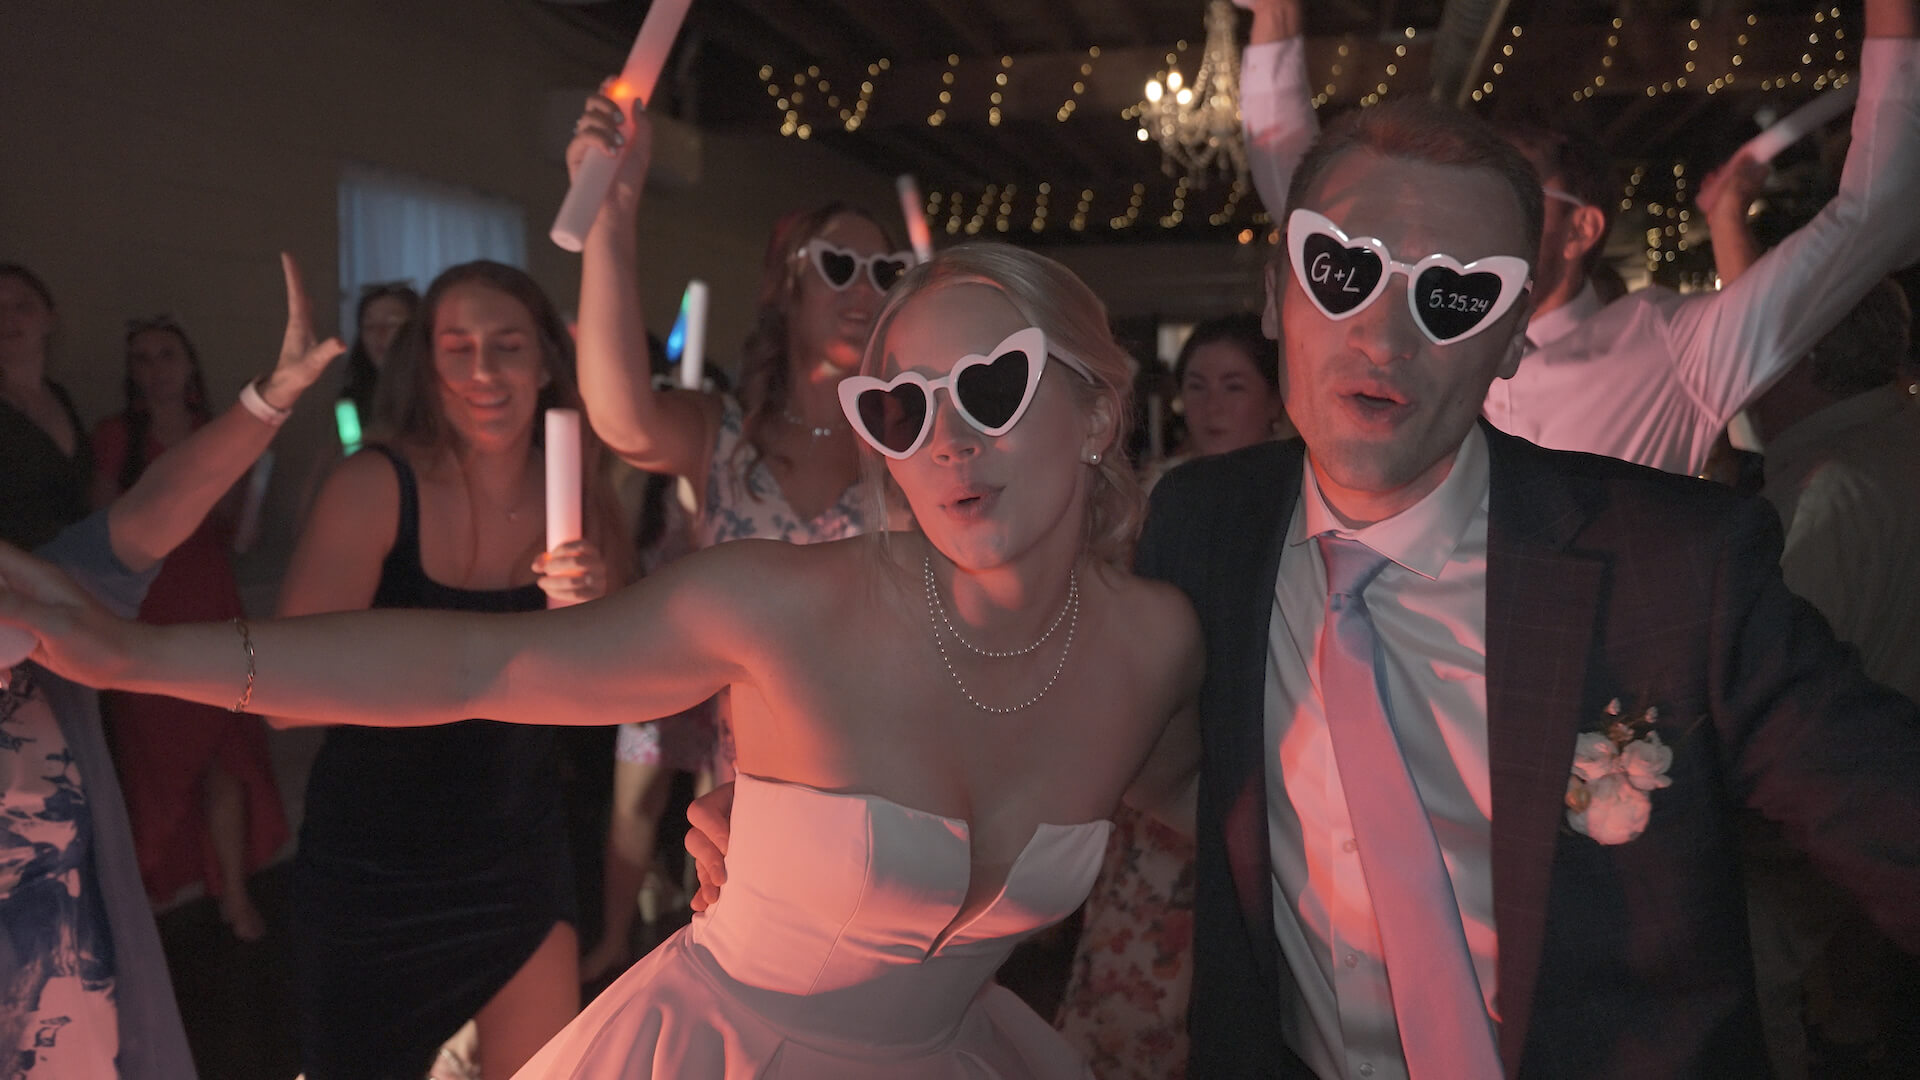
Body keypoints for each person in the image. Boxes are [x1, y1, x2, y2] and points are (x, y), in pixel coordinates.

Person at [0, 243, 1205, 1078]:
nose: (947, 442)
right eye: (904, 408)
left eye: (992, 389)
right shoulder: (786, 607)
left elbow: (1278, 834)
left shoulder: (1156, 648)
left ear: (1100, 413)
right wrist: (131, 652)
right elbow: (480, 668)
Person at [1130, 77, 1920, 1078]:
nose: (1385, 336)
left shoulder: (1677, 567)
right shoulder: (1202, 526)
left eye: (1455, 296)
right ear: (1278, 298)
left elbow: (1884, 801)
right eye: (1343, 271)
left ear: (1512, 343)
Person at [1241, 0, 1920, 476]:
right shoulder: (1429, 317)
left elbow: (1874, 212)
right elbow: (1310, 204)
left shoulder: (1668, 347)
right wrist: (1275, 20)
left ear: (1582, 227)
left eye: (1518, 193)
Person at [275, 260, 629, 1079]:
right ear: (425, 364)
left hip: (519, 853)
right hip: (374, 872)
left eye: (507, 346)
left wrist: (606, 613)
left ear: (545, 363)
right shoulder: (373, 486)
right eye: (457, 346)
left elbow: (614, 695)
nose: (483, 371)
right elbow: (283, 702)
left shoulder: (576, 492)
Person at [1, 253, 341, 1079]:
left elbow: (149, 516)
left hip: (68, 974)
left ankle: (228, 893)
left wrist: (270, 399)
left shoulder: (49, 601)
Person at [568, 96, 902, 789]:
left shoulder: (911, 443)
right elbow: (622, 417)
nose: (864, 289)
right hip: (746, 785)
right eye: (840, 265)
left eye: (885, 271)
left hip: (887, 773)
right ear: (784, 285)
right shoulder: (723, 432)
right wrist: (612, 214)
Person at [1055, 311, 1287, 1078]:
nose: (1215, 405)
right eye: (1198, 386)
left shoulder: (1298, 503)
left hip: (1262, 776)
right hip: (1149, 787)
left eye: (1234, 386)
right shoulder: (1143, 497)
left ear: (1273, 399)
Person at [90, 316, 289, 942]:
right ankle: (151, 896)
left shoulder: (216, 433)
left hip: (212, 602)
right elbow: (104, 533)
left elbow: (240, 534)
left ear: (189, 364)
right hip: (145, 610)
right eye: (142, 358)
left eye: (167, 355)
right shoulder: (116, 437)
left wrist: (254, 483)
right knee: (155, 762)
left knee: (226, 755)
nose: (156, 369)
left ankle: (233, 891)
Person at [0, 264, 91, 551]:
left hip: (68, 576)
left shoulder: (60, 396)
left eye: (22, 306)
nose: (7, 318)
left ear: (49, 319)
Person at [339, 280, 420, 438]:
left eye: (392, 324)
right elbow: (350, 449)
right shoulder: (350, 401)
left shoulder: (437, 393)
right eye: (369, 326)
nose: (379, 334)